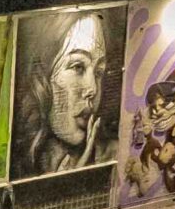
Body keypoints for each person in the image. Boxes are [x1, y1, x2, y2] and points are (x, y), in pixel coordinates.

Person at [17, 11, 112, 174]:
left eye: (98, 72)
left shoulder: (110, 154)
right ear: (41, 75)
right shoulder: (18, 162)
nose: (93, 89)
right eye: (78, 67)